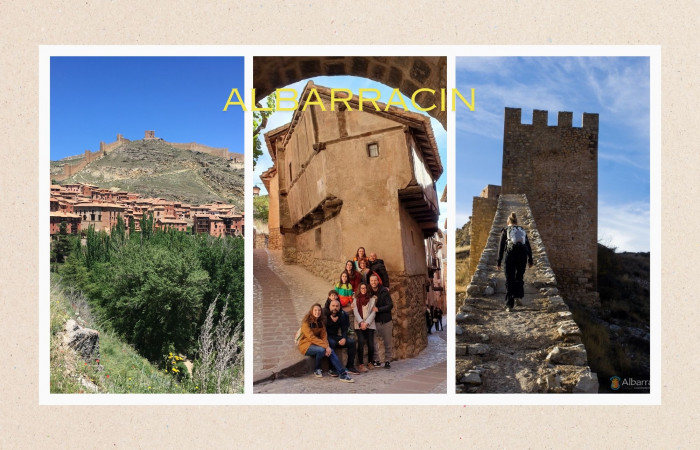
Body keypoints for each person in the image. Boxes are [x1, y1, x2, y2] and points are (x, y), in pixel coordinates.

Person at [297, 303, 354, 382]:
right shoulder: (306, 323)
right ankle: (317, 369)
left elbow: (324, 336)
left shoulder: (321, 322)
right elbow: (311, 337)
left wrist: (327, 346)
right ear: (311, 311)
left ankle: (342, 374)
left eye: (319, 310)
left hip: (317, 344)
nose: (317, 312)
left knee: (330, 350)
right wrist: (326, 346)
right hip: (306, 345)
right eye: (315, 310)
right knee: (322, 350)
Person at [497, 212, 534, 312]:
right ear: (516, 221)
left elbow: (501, 247)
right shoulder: (522, 230)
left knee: (510, 278)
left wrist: (499, 261)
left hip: (510, 255)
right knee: (519, 276)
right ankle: (518, 296)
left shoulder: (506, 230)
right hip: (522, 256)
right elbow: (528, 245)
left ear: (508, 221)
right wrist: (530, 259)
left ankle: (509, 304)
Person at [323, 295, 360, 376]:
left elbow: (344, 329)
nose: (335, 308)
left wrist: (344, 338)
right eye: (333, 306)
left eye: (337, 306)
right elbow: (322, 331)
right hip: (326, 337)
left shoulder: (341, 315)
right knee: (331, 343)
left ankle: (350, 366)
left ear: (339, 307)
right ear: (329, 306)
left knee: (352, 342)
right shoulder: (325, 315)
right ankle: (332, 368)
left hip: (336, 336)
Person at [368, 273, 393, 369]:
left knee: (387, 342)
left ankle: (387, 361)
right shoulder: (368, 292)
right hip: (374, 322)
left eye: (375, 280)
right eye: (372, 281)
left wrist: (379, 309)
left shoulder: (384, 291)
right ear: (369, 282)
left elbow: (390, 305)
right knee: (373, 342)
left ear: (378, 281)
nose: (373, 282)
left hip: (385, 321)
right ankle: (376, 360)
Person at [352, 282, 377, 372]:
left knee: (371, 344)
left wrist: (366, 323)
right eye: (362, 288)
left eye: (365, 288)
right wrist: (361, 322)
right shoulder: (355, 299)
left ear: (367, 289)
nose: (363, 290)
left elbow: (373, 312)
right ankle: (361, 364)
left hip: (369, 324)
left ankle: (370, 362)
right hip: (359, 324)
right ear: (359, 289)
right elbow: (355, 312)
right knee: (361, 342)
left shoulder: (372, 300)